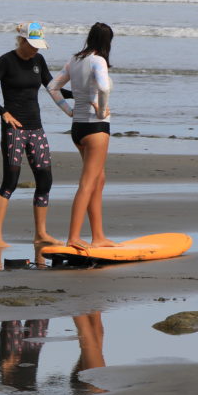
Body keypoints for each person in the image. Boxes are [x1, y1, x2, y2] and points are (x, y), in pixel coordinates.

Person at [0, 22, 71, 247]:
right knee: (10, 182)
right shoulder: (6, 61)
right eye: (32, 45)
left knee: (45, 179)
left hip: (36, 128)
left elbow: (52, 87)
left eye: (39, 46)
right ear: (22, 40)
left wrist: (79, 95)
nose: (36, 50)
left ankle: (41, 234)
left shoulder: (38, 61)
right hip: (14, 131)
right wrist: (4, 113)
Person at [48, 22, 117, 250]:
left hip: (78, 128)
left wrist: (69, 111)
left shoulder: (74, 60)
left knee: (98, 179)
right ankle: (74, 237)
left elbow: (52, 87)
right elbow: (104, 88)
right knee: (88, 183)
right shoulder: (99, 61)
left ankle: (98, 236)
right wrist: (100, 109)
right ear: (107, 42)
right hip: (96, 128)